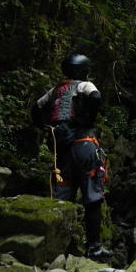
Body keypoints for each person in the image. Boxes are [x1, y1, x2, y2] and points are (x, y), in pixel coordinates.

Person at [32, 53, 111, 260]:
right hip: (84, 145)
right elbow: (95, 97)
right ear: (84, 71)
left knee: (61, 197)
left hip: (62, 150)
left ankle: (53, 250)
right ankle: (93, 248)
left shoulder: (55, 91)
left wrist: (47, 128)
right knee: (92, 197)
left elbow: (36, 108)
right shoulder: (84, 86)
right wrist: (82, 122)